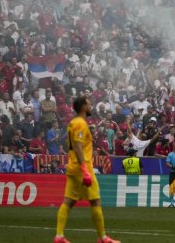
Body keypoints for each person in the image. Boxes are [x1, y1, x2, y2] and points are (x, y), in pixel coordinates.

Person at [54, 96, 119, 243]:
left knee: (68, 201)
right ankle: (102, 238)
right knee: (95, 201)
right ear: (83, 107)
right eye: (89, 104)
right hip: (82, 168)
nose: (91, 106)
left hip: (73, 167)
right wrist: (84, 169)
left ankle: (59, 235)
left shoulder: (74, 123)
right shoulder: (80, 124)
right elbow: (77, 145)